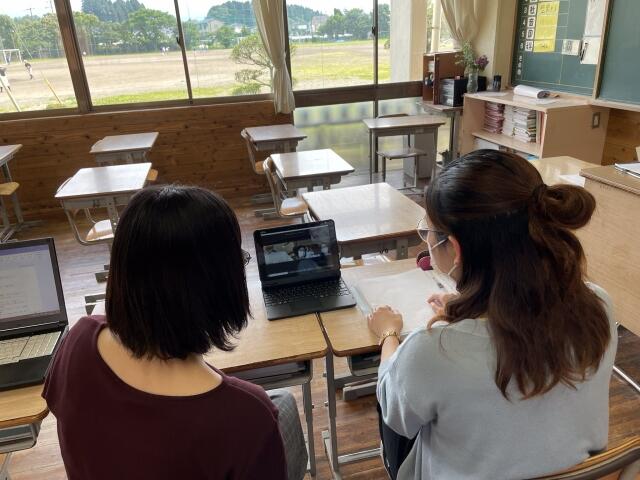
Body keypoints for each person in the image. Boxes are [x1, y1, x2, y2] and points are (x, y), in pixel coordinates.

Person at [369, 150, 617, 480]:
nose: (426, 239)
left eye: (427, 230)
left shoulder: (433, 350)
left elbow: (395, 413)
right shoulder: (598, 306)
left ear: (455, 248)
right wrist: (469, 309)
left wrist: (388, 334)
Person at [43, 185, 308, 480]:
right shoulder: (246, 415)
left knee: (281, 402)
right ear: (219, 284)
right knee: (281, 406)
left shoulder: (78, 339)